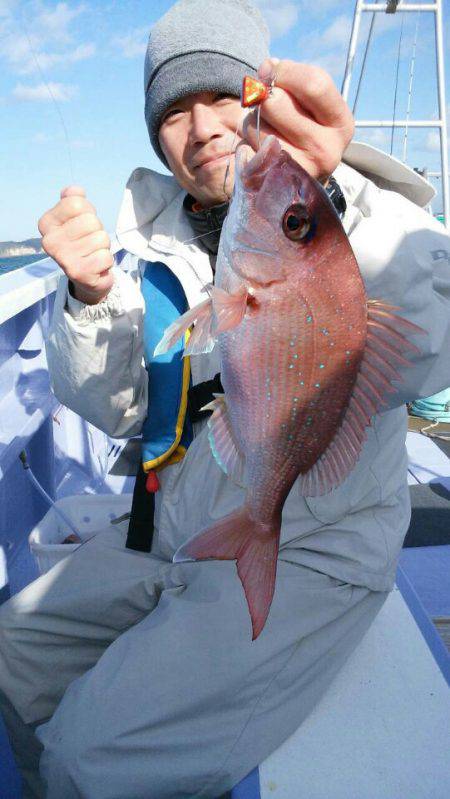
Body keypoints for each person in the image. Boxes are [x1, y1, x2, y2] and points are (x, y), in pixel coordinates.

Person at [1, 0, 450, 796]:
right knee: (11, 651)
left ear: (264, 101)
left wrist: (330, 196)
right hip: (177, 526)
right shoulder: (152, 248)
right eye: (174, 111)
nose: (203, 127)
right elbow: (125, 409)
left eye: (222, 95)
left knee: (86, 757)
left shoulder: (359, 212)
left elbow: (433, 340)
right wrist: (90, 297)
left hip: (315, 551)